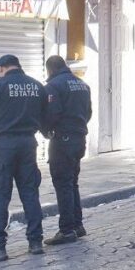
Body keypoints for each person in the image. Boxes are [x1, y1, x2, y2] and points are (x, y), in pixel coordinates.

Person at [0, 54, 48, 262]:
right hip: (28, 145)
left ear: (1, 69)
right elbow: (46, 117)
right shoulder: (37, 86)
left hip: (4, 146)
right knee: (30, 194)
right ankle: (35, 243)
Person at [41, 55, 92, 246]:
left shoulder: (54, 86)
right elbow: (88, 113)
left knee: (63, 184)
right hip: (79, 139)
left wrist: (46, 130)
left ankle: (66, 230)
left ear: (50, 70)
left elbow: (51, 114)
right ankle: (77, 225)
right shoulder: (82, 85)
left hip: (62, 140)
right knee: (72, 183)